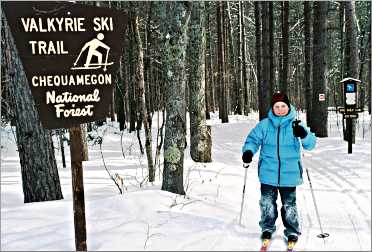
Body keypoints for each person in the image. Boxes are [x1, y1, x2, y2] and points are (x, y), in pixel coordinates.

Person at [241, 92, 316, 243]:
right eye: (277, 106)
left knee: (289, 205)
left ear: (288, 107)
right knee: (267, 202)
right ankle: (267, 227)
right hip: (268, 172)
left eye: (283, 106)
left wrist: (303, 135)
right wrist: (248, 151)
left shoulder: (296, 124)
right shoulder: (265, 125)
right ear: (272, 108)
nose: (280, 109)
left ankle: (292, 230)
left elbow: (310, 144)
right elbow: (252, 140)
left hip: (290, 173)